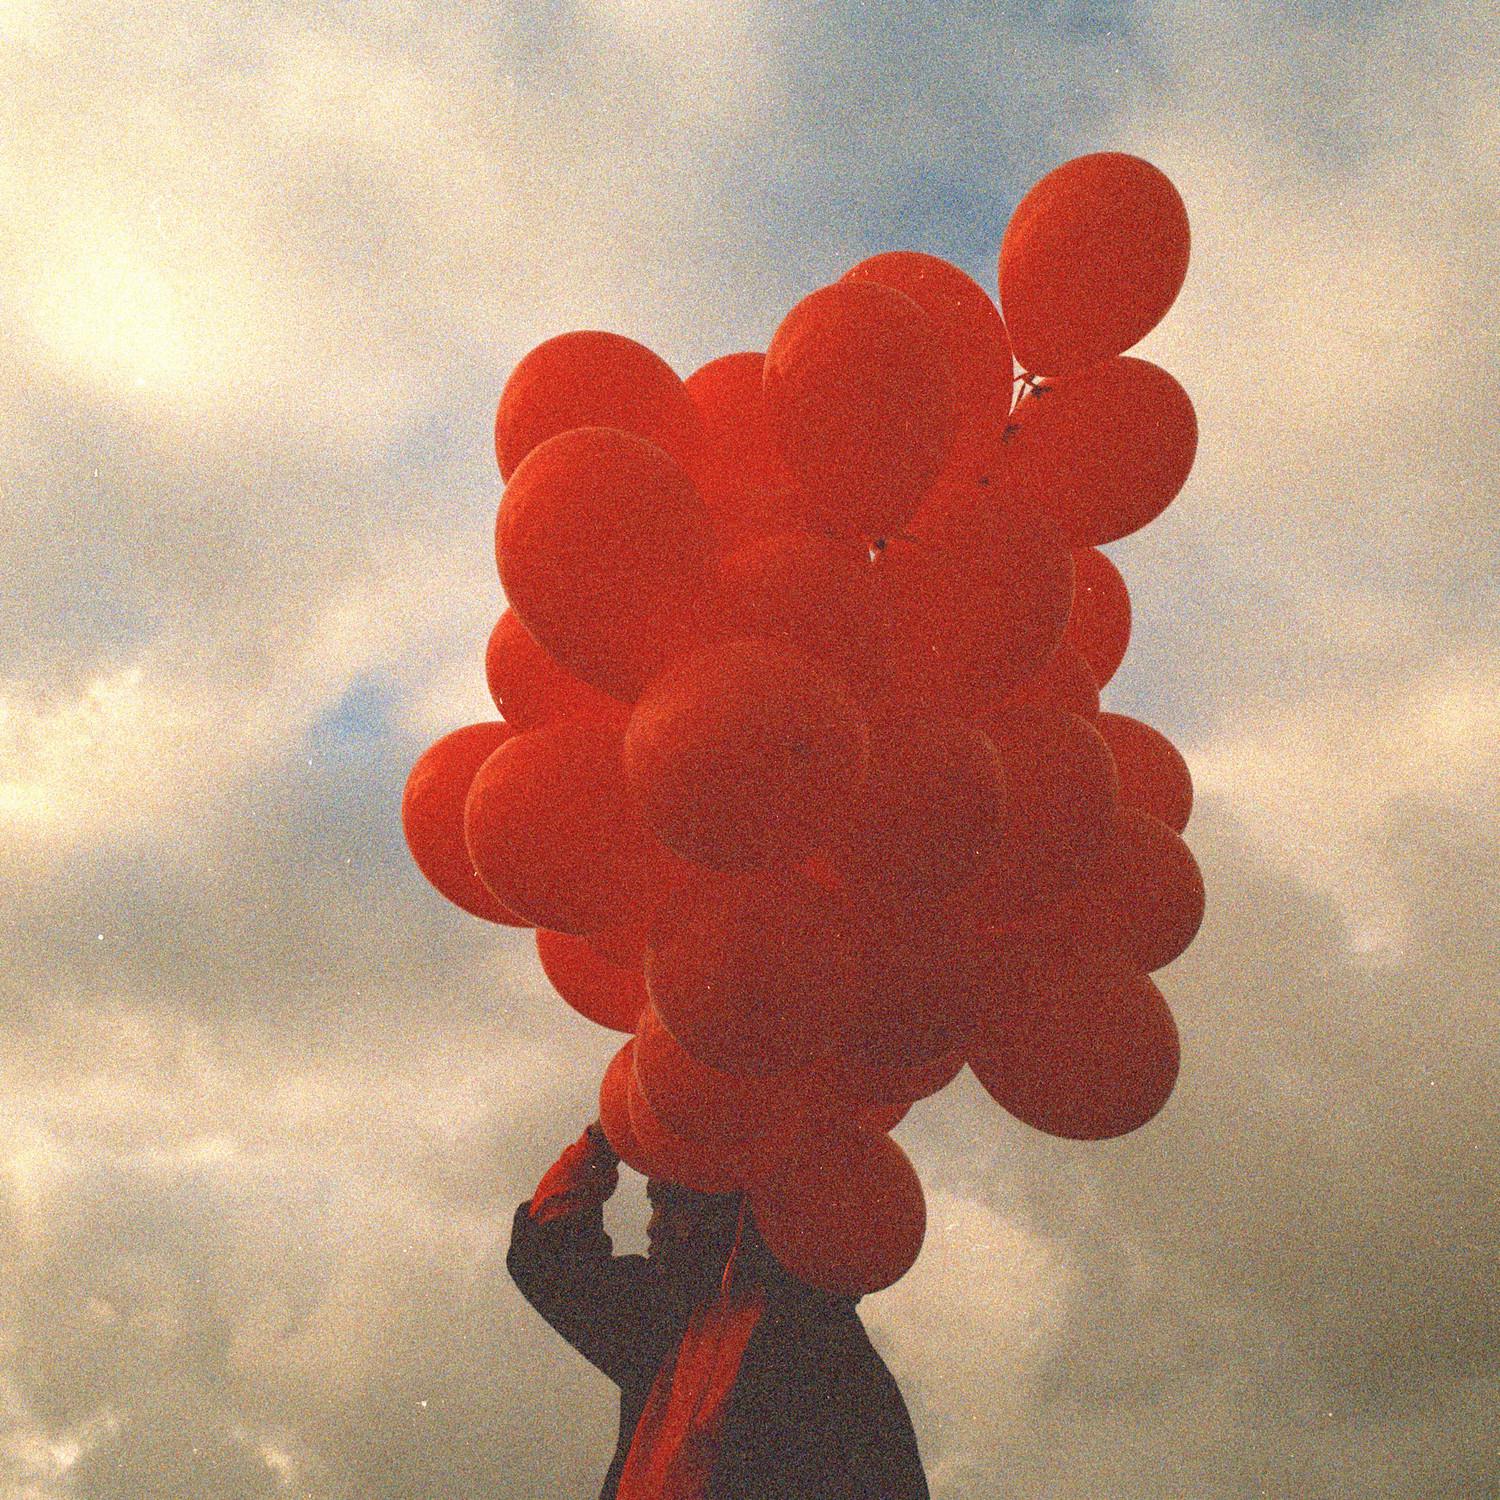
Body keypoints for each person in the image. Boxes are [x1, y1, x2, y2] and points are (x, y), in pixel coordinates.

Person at [508, 1119, 930, 1499]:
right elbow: (547, 1256)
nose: (653, 1225)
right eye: (654, 1204)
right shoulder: (666, 1314)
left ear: (733, 1210)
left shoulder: (826, 1354)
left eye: (671, 1203)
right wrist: (606, 1137)